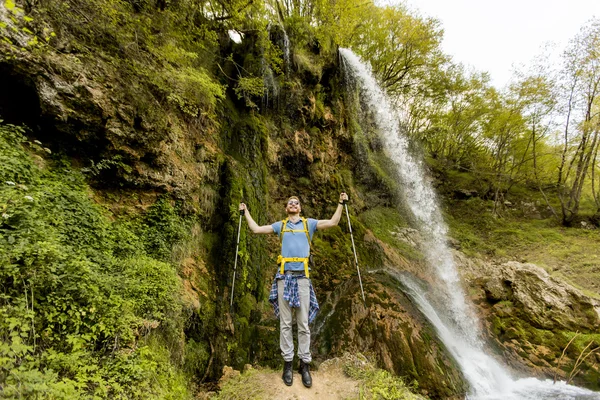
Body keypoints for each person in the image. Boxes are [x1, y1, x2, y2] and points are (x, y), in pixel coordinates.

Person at [239, 192, 348, 388]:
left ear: (300, 208)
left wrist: (340, 202)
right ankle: (287, 365)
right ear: (286, 208)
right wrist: (245, 211)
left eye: (296, 202)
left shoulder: (309, 224)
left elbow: (333, 222)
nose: (293, 204)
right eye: (290, 202)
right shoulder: (280, 226)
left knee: (303, 324)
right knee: (286, 323)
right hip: (284, 277)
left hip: (303, 279)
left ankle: (304, 365)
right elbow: (255, 229)